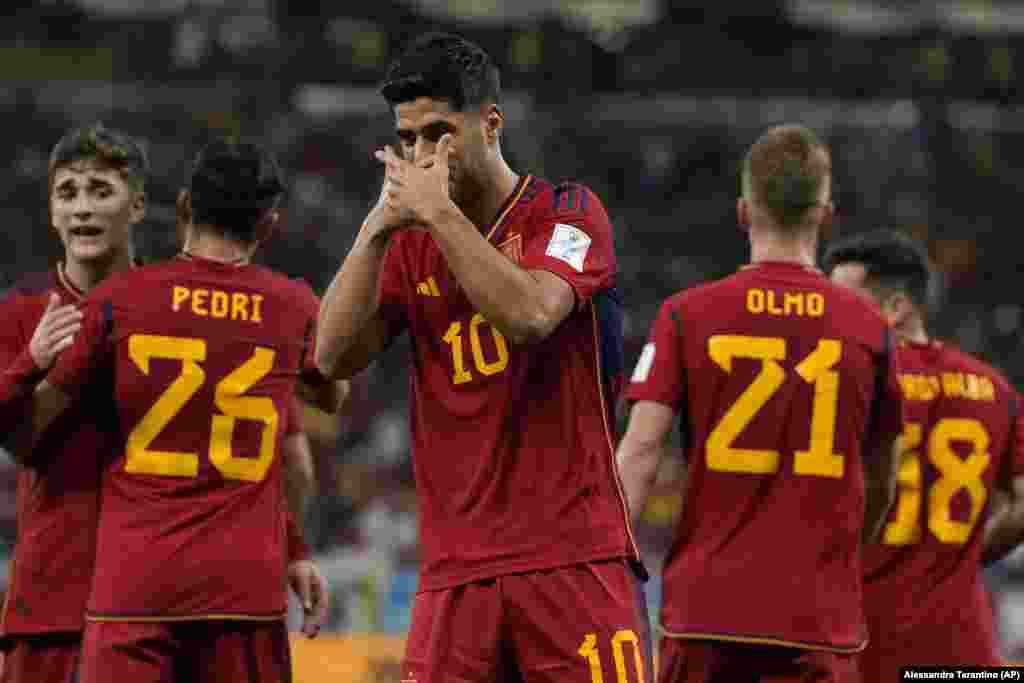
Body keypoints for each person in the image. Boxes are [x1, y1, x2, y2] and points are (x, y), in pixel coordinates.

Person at [316, 32, 650, 683]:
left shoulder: (568, 214)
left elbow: (529, 315)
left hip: (570, 561)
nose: (421, 154)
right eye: (407, 138)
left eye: (437, 132)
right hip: (453, 576)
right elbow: (329, 355)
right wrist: (375, 229)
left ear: (490, 122)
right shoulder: (410, 245)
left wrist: (438, 215)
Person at [22, 137, 338, 682]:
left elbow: (33, 427)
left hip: (133, 591)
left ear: (186, 207)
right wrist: (296, 550)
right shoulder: (293, 307)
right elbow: (328, 402)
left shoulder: (119, 299)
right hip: (245, 595)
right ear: (268, 226)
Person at [617, 124, 904, 683]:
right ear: (825, 215)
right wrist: (842, 557)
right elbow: (883, 480)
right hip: (818, 616)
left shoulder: (685, 314)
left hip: (705, 613)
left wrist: (603, 569)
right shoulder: (868, 327)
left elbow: (639, 453)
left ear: (744, 212)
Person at [824, 230, 1024, 678]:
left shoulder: (844, 385)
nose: (830, 319)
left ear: (896, 309)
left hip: (864, 647)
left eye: (842, 304)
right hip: (967, 648)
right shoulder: (995, 388)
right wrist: (965, 555)